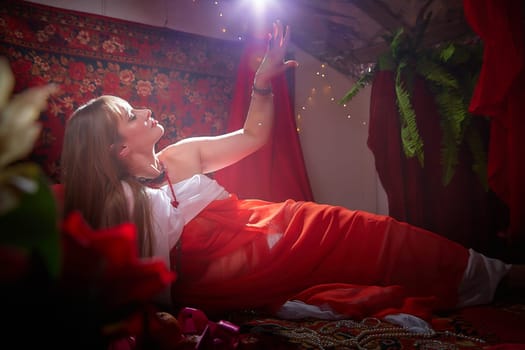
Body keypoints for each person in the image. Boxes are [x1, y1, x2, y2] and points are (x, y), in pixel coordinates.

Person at [59, 21, 524, 321]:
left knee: (359, 230)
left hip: (265, 227)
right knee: (343, 240)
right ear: (117, 148)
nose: (143, 110)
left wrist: (262, 86)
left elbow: (253, 138)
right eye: (130, 115)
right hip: (228, 270)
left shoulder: (183, 153)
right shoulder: (115, 204)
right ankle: (492, 278)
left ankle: (484, 274)